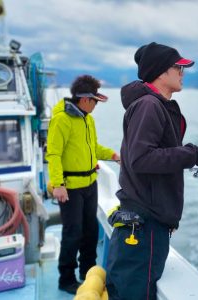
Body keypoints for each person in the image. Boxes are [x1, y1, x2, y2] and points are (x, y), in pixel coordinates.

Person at [106, 42, 198, 300]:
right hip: (144, 226)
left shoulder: (154, 105)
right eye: (178, 66)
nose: (183, 72)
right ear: (161, 72)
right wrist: (192, 154)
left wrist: (196, 156)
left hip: (146, 223)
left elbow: (151, 156)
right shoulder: (149, 105)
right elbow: (141, 159)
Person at [46, 75, 120, 294]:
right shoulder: (62, 119)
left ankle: (88, 273)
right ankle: (66, 279)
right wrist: (58, 184)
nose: (96, 105)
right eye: (95, 101)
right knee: (72, 233)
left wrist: (113, 155)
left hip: (90, 183)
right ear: (85, 99)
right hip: (70, 187)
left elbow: (92, 147)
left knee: (89, 231)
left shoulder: (87, 119)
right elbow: (54, 153)